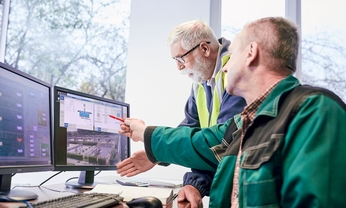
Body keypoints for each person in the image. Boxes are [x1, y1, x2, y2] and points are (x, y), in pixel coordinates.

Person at [119, 16, 346, 207]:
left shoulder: (315, 110)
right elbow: (207, 144)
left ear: (251, 53)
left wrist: (149, 138)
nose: (225, 66)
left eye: (232, 55)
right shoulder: (246, 122)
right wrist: (152, 143)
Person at [116, 19, 246, 204]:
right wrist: (156, 155)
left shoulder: (235, 73)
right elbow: (193, 133)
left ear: (205, 49)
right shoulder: (201, 84)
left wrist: (148, 136)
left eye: (181, 58)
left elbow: (222, 143)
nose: (179, 66)